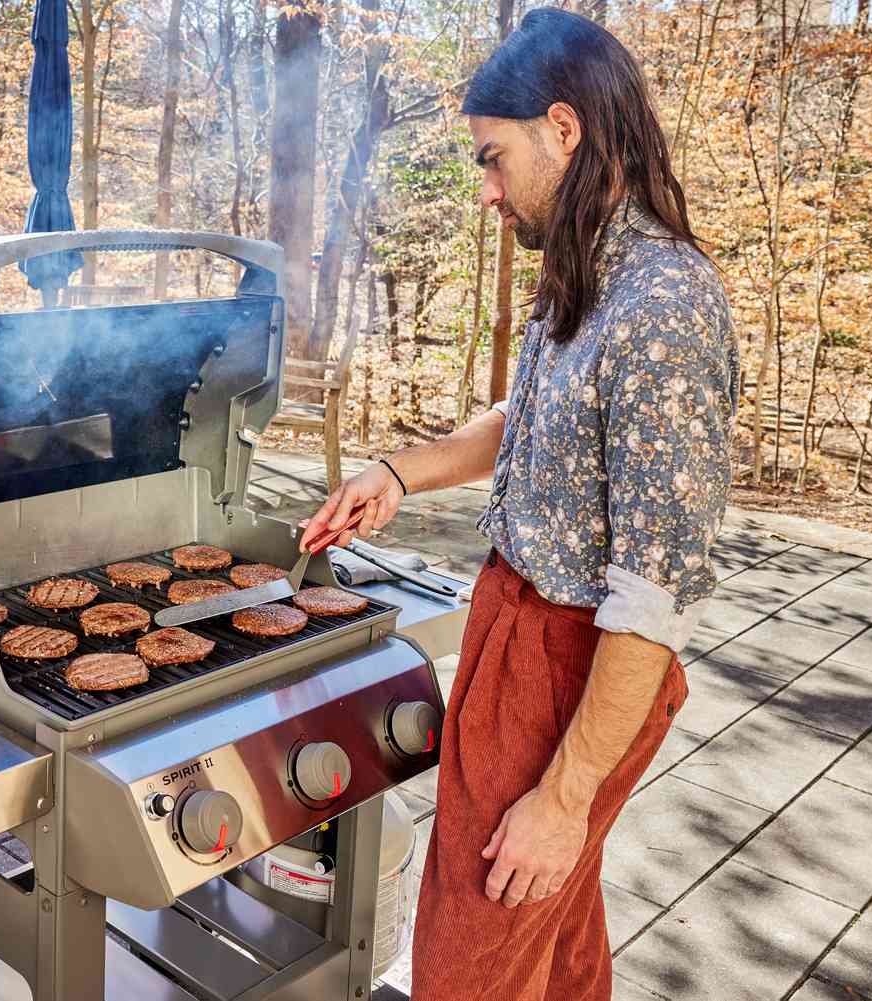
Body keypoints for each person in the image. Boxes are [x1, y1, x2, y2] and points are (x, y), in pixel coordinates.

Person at [299, 9, 739, 1000]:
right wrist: (398, 472)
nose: (488, 190)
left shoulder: (663, 302)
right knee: (554, 942)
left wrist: (564, 792)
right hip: (516, 640)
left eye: (494, 159)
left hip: (571, 668)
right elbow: (529, 409)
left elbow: (654, 596)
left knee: (471, 958)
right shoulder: (590, 268)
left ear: (565, 128)